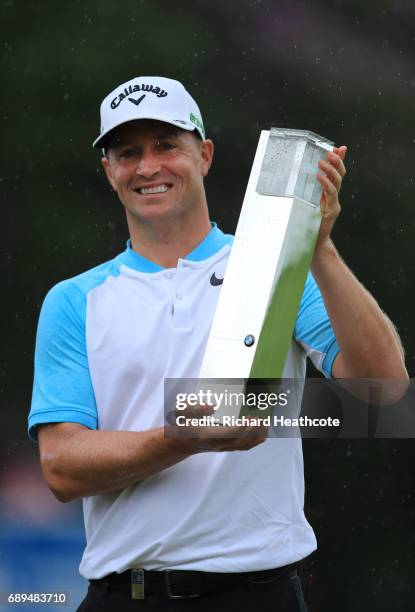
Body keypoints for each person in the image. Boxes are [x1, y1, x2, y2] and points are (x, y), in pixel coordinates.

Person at [28, 76, 408, 611]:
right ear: (109, 170)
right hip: (126, 594)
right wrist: (182, 438)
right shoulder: (73, 301)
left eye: (167, 146)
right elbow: (61, 468)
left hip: (260, 591)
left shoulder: (278, 269)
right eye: (128, 152)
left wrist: (318, 247)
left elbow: (383, 390)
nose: (148, 167)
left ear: (203, 155)